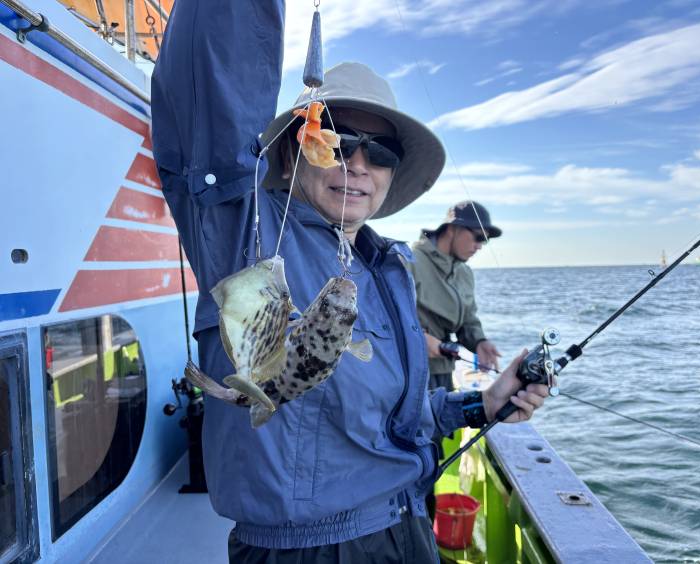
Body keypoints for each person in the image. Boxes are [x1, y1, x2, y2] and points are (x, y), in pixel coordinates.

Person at [151, 1, 549, 562]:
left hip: (408, 527)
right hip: (309, 550)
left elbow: (395, 418)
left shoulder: (387, 268)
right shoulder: (243, 226)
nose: (358, 163)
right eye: (335, 138)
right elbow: (214, 95)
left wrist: (481, 405)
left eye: (380, 152)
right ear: (295, 148)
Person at [406, 201, 503, 521]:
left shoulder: (464, 273)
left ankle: (425, 525)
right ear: (453, 228)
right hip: (410, 376)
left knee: (431, 455)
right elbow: (387, 319)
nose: (480, 246)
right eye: (477, 237)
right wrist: (420, 339)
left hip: (442, 376)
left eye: (485, 240)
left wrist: (481, 342)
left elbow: (468, 321)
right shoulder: (410, 261)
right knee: (411, 456)